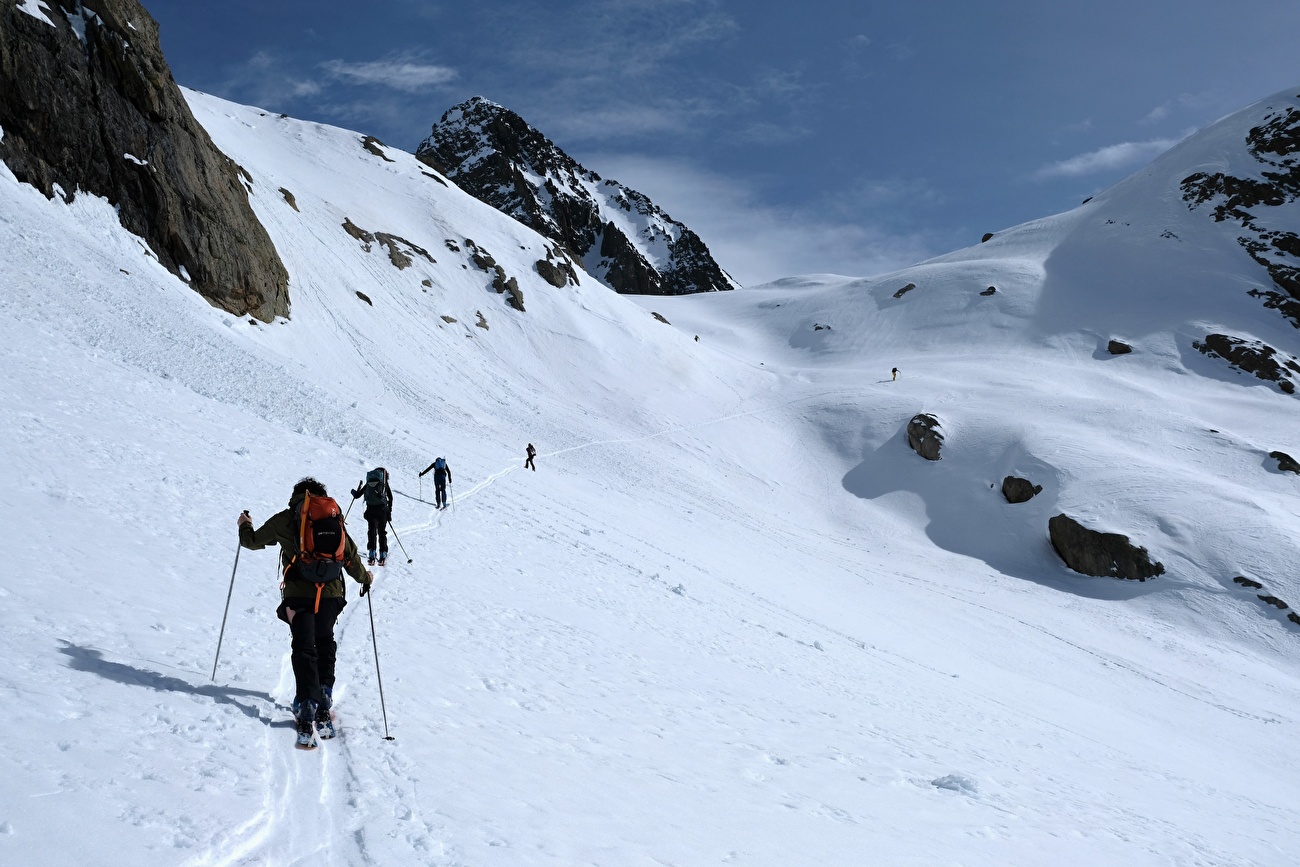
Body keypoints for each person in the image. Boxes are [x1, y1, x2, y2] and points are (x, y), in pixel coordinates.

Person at [238, 477, 372, 745]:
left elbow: (251, 542)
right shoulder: (332, 518)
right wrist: (364, 578)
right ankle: (324, 693)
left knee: (303, 646)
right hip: (331, 595)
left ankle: (307, 702)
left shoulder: (286, 519)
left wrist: (245, 525)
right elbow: (350, 556)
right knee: (325, 641)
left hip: (298, 597)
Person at [351, 467, 392, 566]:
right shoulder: (383, 484)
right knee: (382, 532)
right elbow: (390, 497)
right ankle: (383, 554)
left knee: (372, 531)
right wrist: (389, 512)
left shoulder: (369, 484)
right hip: (382, 511)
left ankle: (372, 553)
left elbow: (357, 495)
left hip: (370, 510)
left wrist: (354, 491)